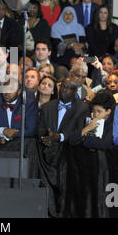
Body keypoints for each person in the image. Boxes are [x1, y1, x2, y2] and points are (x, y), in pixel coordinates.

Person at [36, 78, 90, 217]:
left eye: (69, 88)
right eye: (63, 87)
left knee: (66, 191)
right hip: (48, 156)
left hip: (69, 156)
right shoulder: (47, 107)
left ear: (75, 91)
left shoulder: (82, 109)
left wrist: (58, 137)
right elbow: (40, 129)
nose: (64, 90)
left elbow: (80, 132)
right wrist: (46, 138)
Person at [67, 90, 116, 218]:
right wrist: (86, 129)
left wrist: (84, 140)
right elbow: (72, 140)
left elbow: (105, 144)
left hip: (102, 168)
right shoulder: (87, 119)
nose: (95, 115)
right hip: (83, 166)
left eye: (99, 112)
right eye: (94, 111)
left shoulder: (113, 123)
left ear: (108, 111)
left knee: (99, 198)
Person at [0, 79, 37, 144]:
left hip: (21, 145)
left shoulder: (27, 104)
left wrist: (8, 135)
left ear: (19, 91)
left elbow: (31, 130)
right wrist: (2, 131)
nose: (7, 92)